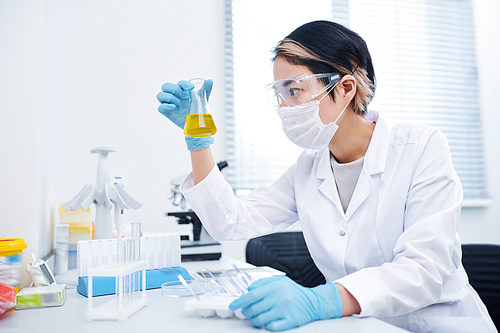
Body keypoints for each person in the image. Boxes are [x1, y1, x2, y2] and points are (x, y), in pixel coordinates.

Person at [157, 20, 497, 333]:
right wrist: (197, 138)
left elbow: (424, 269)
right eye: (279, 94)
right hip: (360, 325)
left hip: (436, 325)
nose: (284, 107)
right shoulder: (308, 168)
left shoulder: (421, 147)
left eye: (294, 90)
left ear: (346, 87)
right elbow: (231, 222)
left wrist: (324, 299)